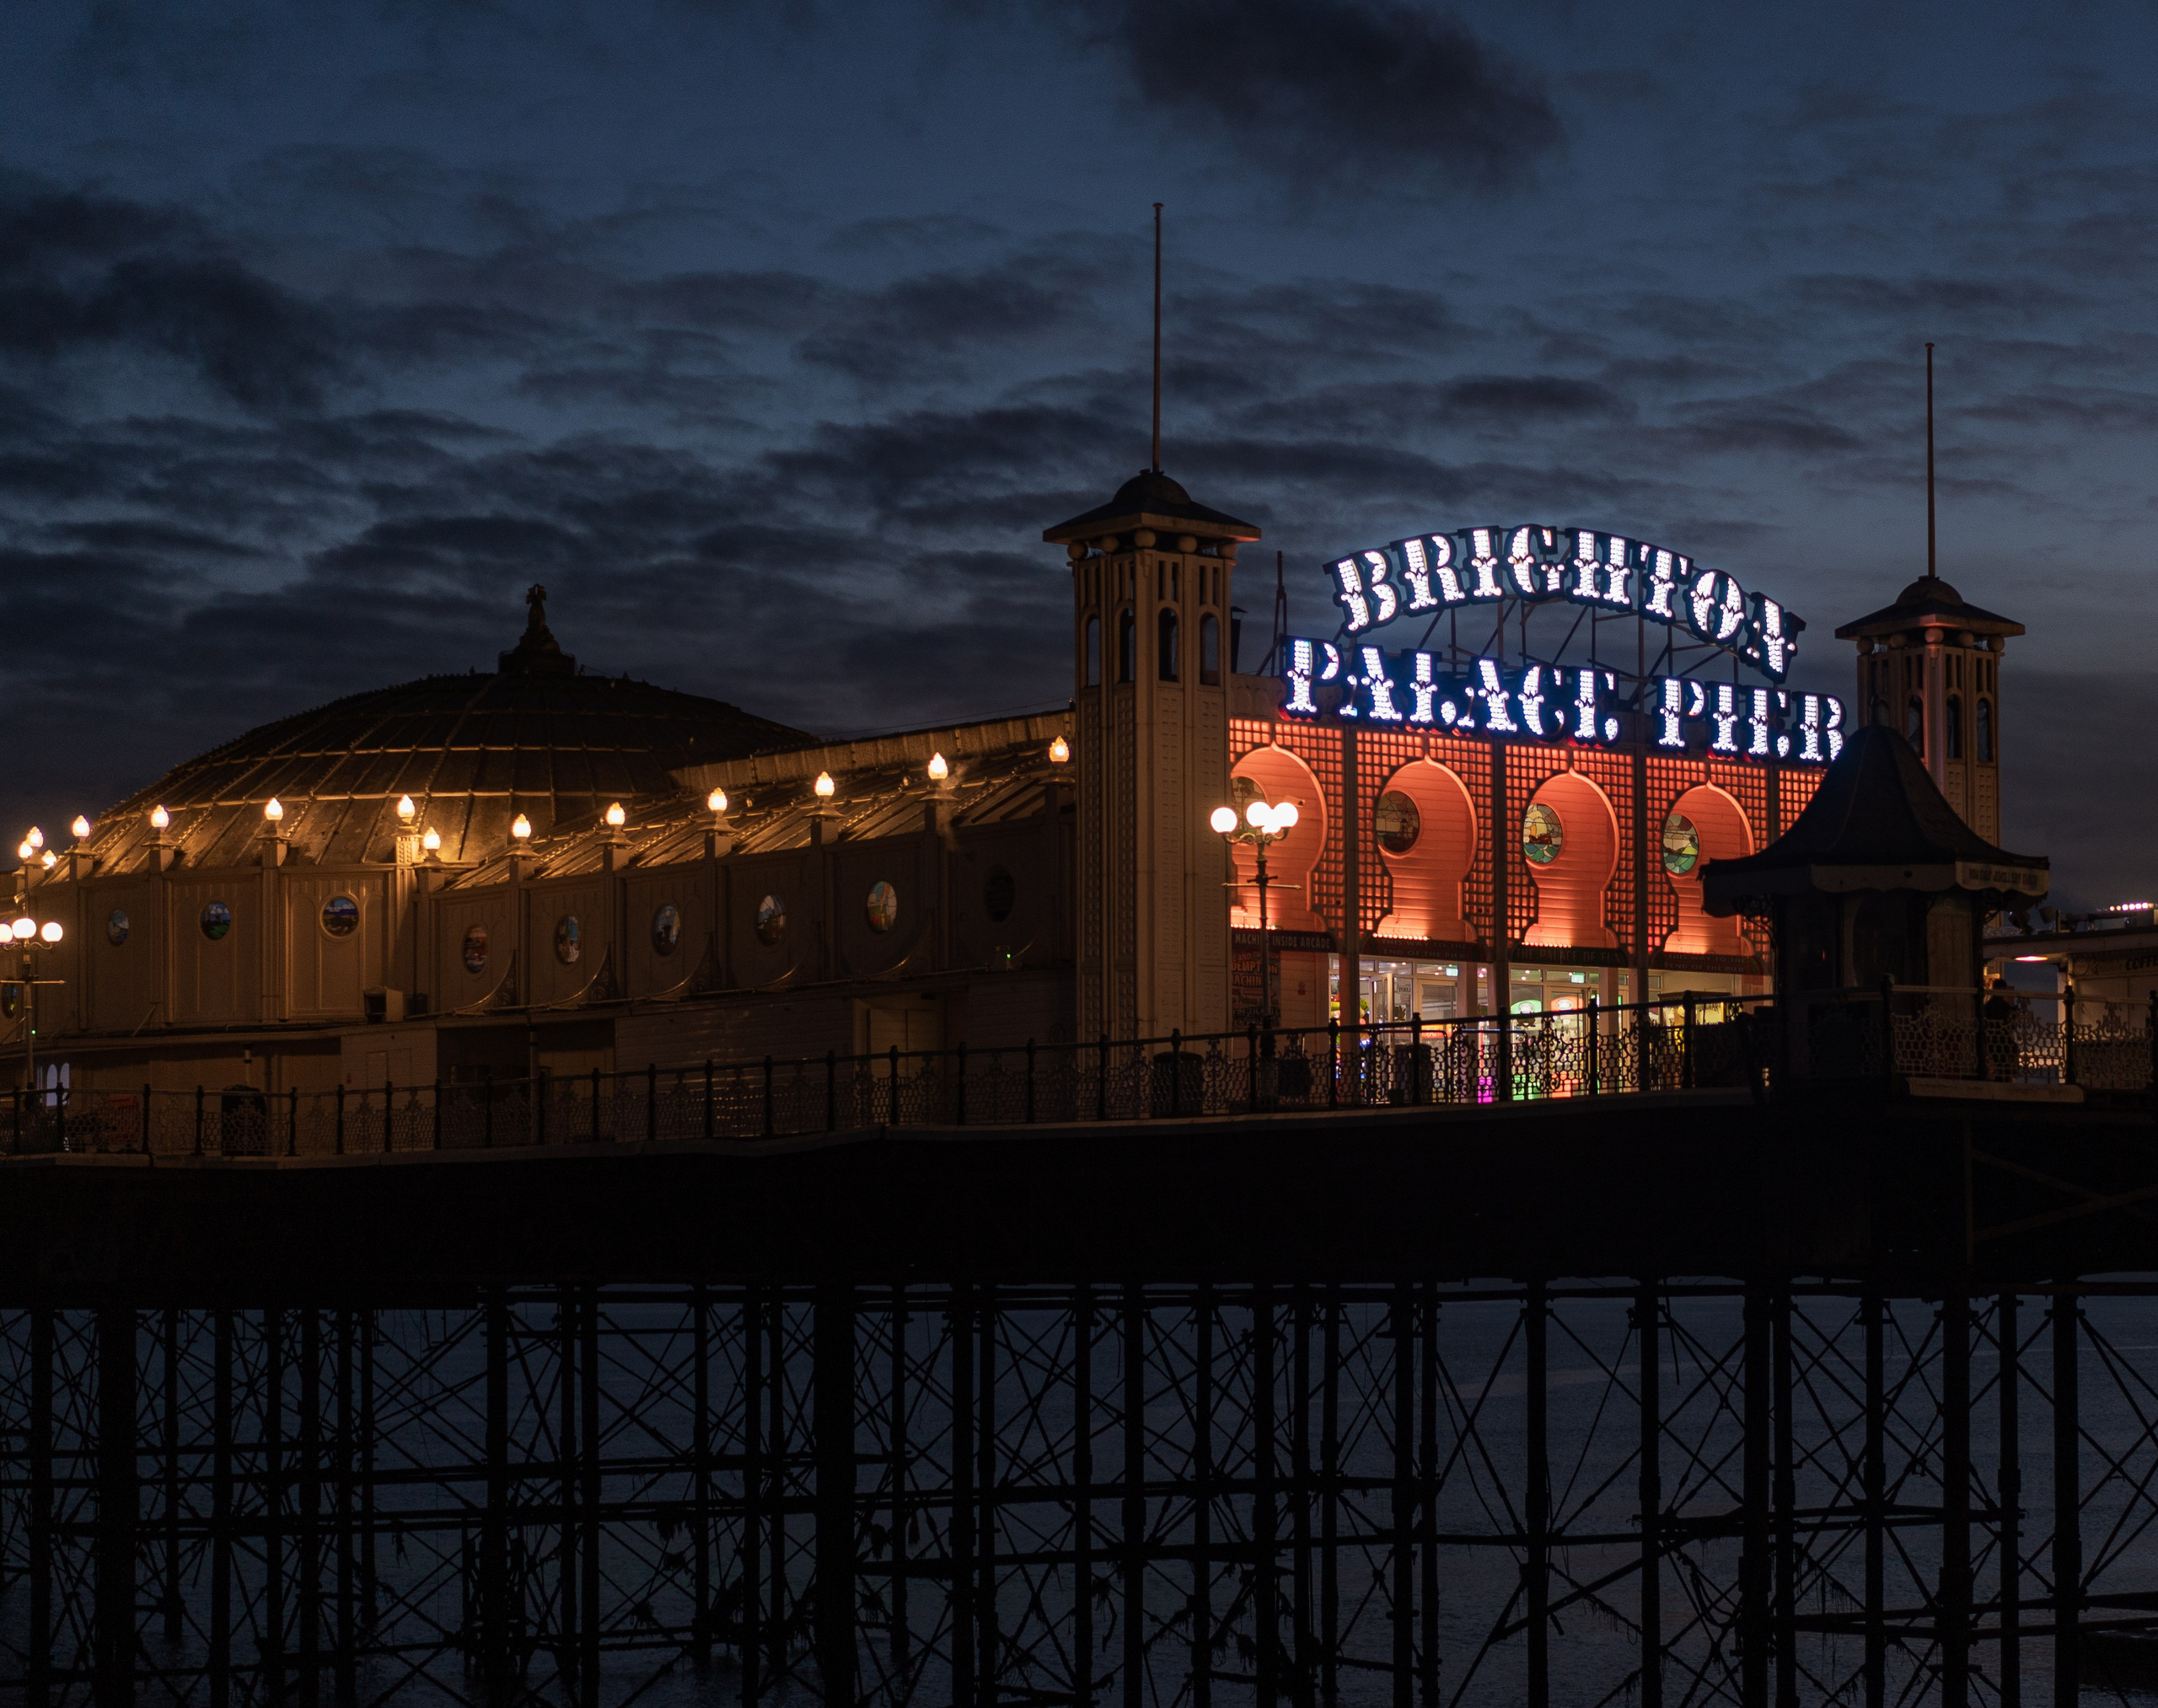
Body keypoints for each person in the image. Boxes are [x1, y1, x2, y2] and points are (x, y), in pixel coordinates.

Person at [1983, 977, 2017, 1081]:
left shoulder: (1989, 1005)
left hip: (1995, 1038)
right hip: (1998, 1038)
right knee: (2002, 1059)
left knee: (2001, 1060)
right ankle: (2005, 1077)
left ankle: (2004, 1076)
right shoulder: (1999, 1006)